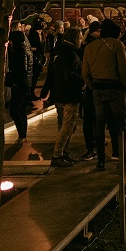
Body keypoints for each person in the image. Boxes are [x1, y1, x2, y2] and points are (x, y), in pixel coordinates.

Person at [81, 19, 126, 171]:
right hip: (115, 88)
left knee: (99, 124)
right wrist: (124, 85)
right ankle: (121, 157)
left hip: (97, 88)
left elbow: (85, 72)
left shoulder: (89, 47)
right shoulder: (116, 45)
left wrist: (92, 86)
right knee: (119, 124)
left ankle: (100, 161)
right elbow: (123, 68)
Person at [41, 28, 83, 166]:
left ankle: (64, 152)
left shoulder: (58, 53)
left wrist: (46, 90)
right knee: (68, 126)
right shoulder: (70, 55)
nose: (81, 40)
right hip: (69, 95)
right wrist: (82, 80)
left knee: (66, 126)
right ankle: (58, 155)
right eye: (80, 37)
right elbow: (69, 76)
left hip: (59, 94)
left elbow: (52, 75)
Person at [6, 30, 34, 140]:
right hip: (25, 83)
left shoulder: (20, 51)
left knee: (14, 110)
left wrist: (14, 80)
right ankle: (23, 134)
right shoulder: (26, 49)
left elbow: (21, 69)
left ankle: (22, 133)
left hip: (20, 84)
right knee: (21, 109)